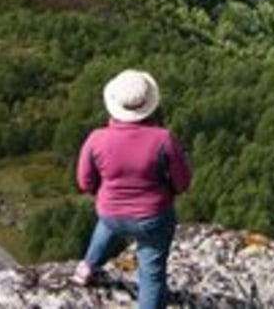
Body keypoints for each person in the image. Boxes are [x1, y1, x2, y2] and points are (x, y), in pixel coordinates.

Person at [72, 69, 192, 309]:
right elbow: (182, 182)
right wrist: (165, 194)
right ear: (150, 105)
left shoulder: (97, 138)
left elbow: (85, 183)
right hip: (153, 218)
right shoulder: (163, 139)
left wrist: (109, 197)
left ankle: (86, 269)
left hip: (111, 214)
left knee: (106, 225)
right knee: (152, 275)